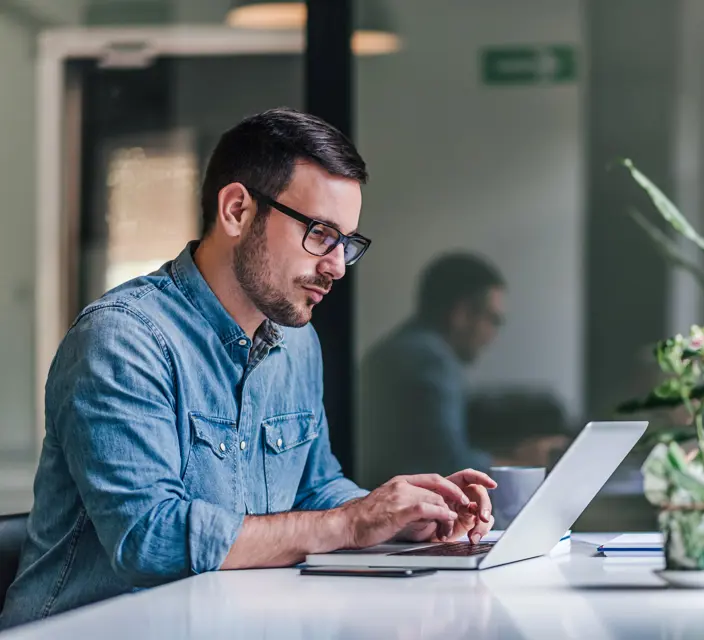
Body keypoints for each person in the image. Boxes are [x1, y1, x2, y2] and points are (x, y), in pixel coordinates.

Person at [0, 108, 496, 629]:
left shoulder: (297, 341)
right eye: (322, 234)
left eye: (347, 243)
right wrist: (350, 523)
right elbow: (148, 538)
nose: (337, 266)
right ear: (237, 210)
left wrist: (402, 518)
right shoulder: (123, 340)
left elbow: (313, 491)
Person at [358, 253, 508, 488]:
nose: (492, 336)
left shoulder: (399, 348)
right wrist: (523, 462)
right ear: (462, 314)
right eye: (493, 319)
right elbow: (448, 464)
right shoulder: (430, 361)